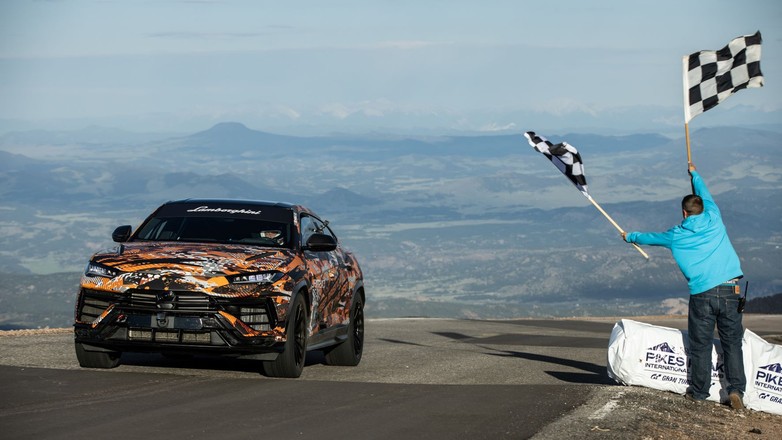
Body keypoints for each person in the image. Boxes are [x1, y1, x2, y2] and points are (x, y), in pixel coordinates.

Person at [621, 162, 745, 410]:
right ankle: (736, 390)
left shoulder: (676, 234)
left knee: (700, 344)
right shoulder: (714, 216)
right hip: (731, 290)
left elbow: (649, 238)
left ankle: (699, 392)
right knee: (732, 343)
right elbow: (705, 193)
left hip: (702, 294)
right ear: (701, 208)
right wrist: (695, 173)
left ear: (684, 213)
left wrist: (630, 236)